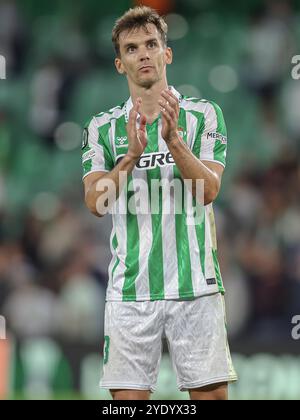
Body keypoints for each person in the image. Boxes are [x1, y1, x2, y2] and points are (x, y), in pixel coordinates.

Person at [82, 5, 237, 400]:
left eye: (151, 44)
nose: (144, 54)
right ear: (120, 64)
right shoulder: (102, 128)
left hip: (196, 286)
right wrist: (131, 157)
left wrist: (173, 142)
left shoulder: (205, 116)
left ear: (167, 54)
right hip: (130, 290)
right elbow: (96, 203)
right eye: (132, 49)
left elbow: (208, 191)